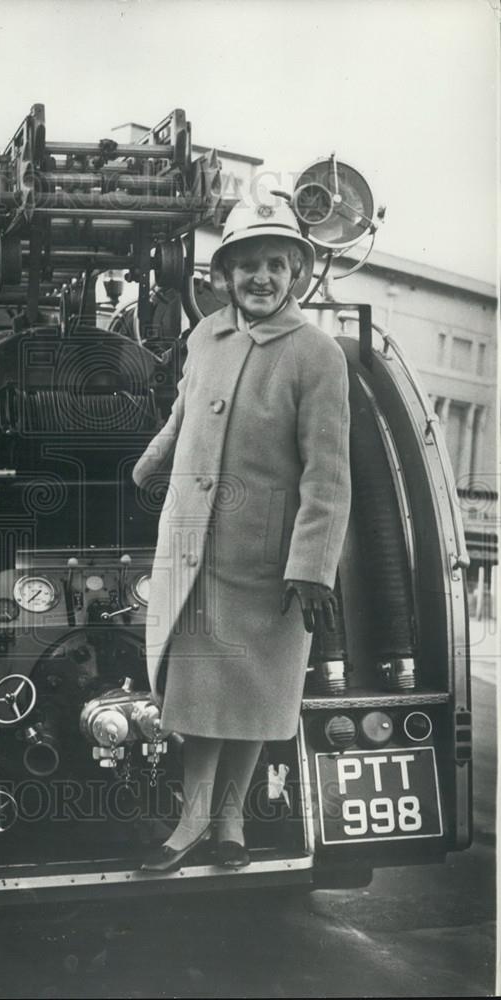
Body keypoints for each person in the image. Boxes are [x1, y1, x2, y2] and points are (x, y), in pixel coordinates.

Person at [132, 196, 351, 871]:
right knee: (199, 693)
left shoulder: (316, 354)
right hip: (197, 548)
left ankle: (227, 821)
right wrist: (149, 465)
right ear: (224, 273)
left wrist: (311, 563)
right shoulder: (204, 338)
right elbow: (184, 410)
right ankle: (196, 819)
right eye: (247, 265)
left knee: (255, 694)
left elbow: (327, 468)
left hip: (271, 560)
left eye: (274, 266)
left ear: (295, 274)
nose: (261, 277)